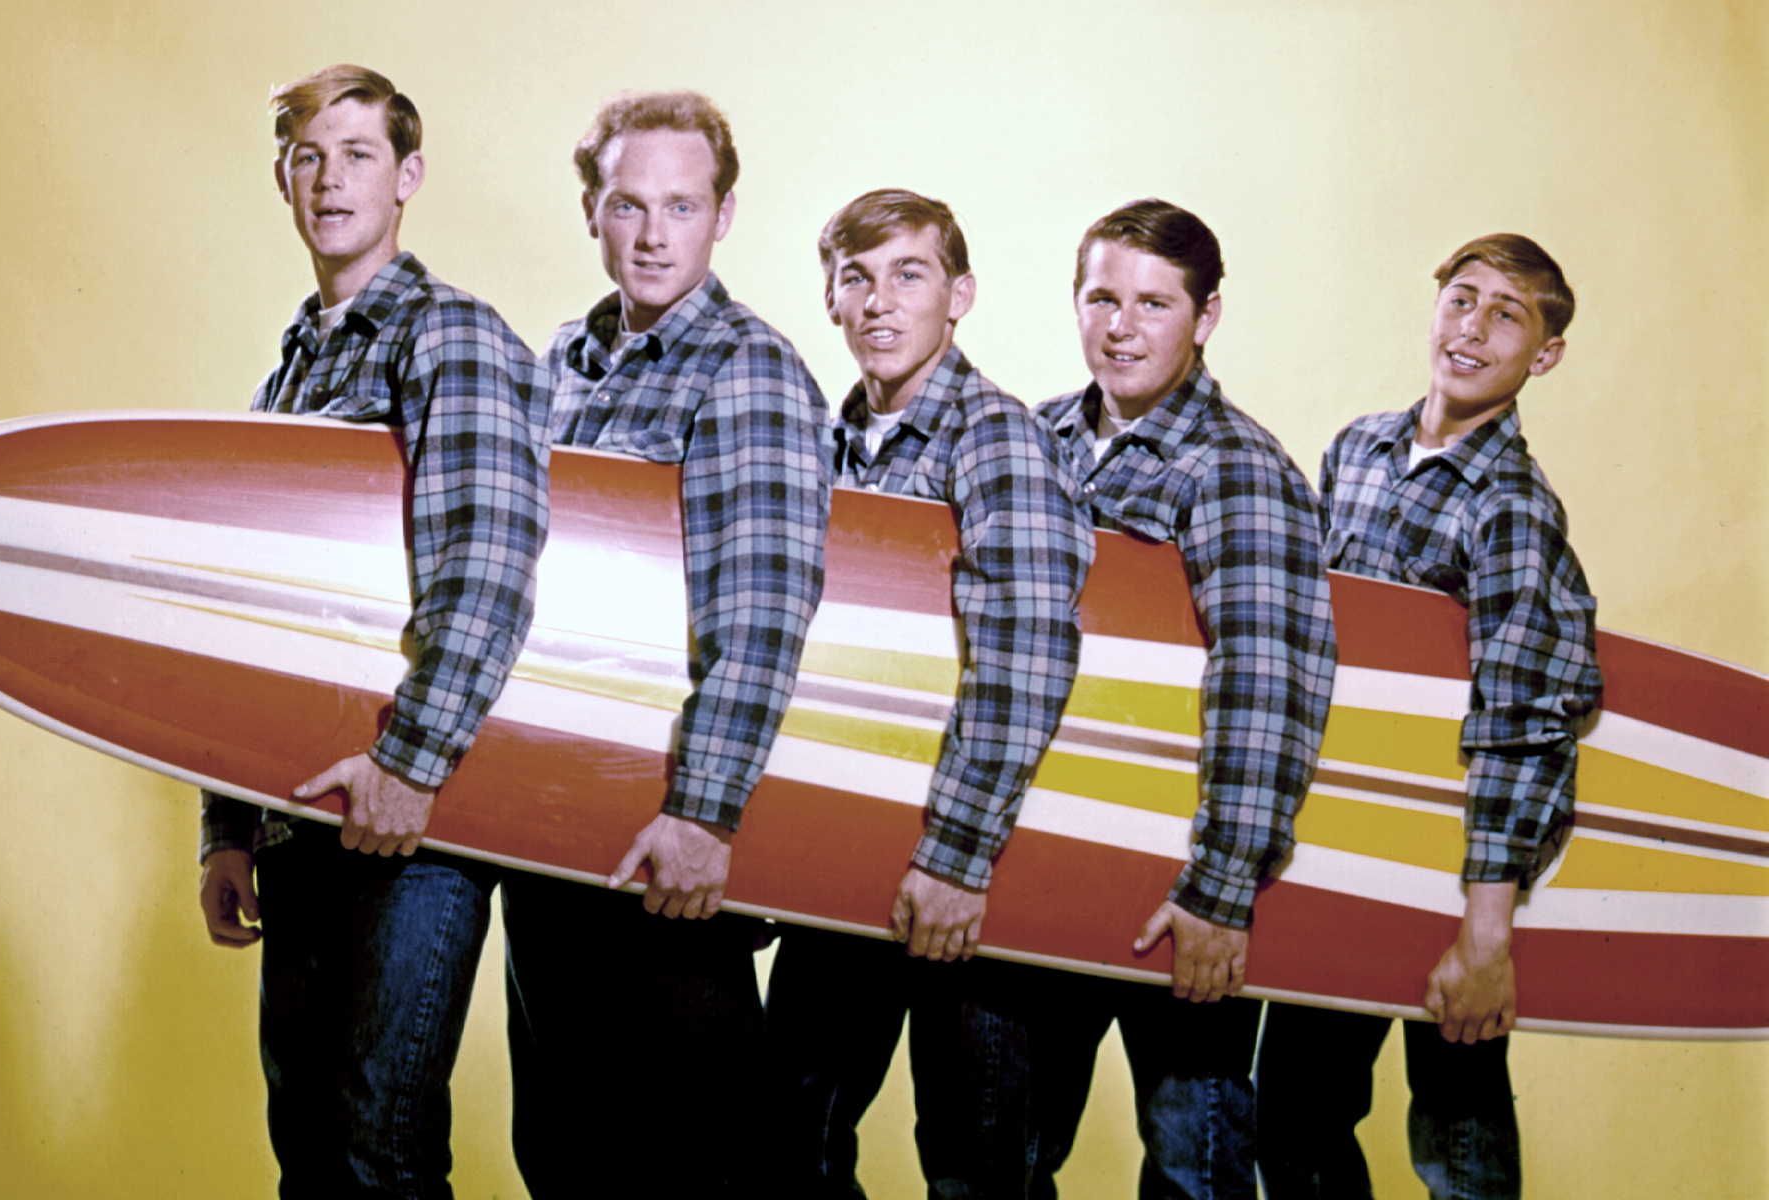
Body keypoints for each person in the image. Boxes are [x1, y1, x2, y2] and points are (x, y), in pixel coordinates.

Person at [195, 64, 550, 1198]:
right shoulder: (286, 377)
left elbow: (489, 566)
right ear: (281, 180)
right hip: (298, 814)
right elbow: (254, 617)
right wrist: (227, 827)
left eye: (358, 154)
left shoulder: (452, 336)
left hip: (414, 824)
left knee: (375, 1148)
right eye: (309, 156)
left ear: (407, 177)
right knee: (307, 1146)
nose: (330, 178)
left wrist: (412, 764)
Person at [503, 89, 831, 1197]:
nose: (653, 235)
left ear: (722, 216)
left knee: (693, 1166)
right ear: (592, 212)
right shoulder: (563, 361)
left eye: (681, 206)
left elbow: (764, 612)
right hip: (551, 830)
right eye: (629, 205)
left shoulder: (749, 369)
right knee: (563, 1159)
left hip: (666, 835)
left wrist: (705, 813)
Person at [1255, 234, 1603, 1200]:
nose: (1474, 328)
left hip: (1457, 864)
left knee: (1458, 1131)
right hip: (1347, 849)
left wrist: (1486, 936)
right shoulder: (1358, 449)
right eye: (1462, 299)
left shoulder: (1513, 508)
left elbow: (1521, 716)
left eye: (1507, 315)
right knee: (1294, 1117)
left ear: (1544, 355)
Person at [764, 188, 1093, 1197]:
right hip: (845, 860)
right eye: (856, 278)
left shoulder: (996, 438)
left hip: (968, 871)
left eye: (909, 274)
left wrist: (955, 858)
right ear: (830, 298)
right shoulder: (820, 444)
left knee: (974, 1169)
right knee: (785, 1141)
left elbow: (1026, 654)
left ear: (960, 295)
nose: (880, 301)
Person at [1029, 199, 1337, 1199]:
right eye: (1102, 299)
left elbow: (1268, 682)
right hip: (1043, 865)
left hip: (1177, 885)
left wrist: (1221, 889)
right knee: (1007, 1155)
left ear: (1205, 317)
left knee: (1193, 1167)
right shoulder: (1031, 438)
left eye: (1153, 304)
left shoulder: (1239, 470)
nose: (1121, 328)